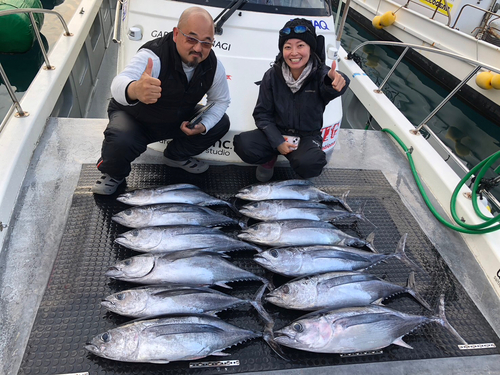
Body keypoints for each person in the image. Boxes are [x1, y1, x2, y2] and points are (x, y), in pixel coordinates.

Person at [92, 6, 230, 195]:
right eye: (191, 39)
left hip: (176, 119)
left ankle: (176, 155)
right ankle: (114, 173)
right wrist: (135, 89)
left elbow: (221, 101)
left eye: (206, 43)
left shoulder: (214, 67)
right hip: (136, 119)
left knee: (221, 122)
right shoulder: (153, 57)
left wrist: (203, 124)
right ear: (176, 34)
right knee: (121, 138)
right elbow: (118, 84)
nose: (198, 48)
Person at [233, 18, 349, 182]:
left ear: (311, 48)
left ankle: (298, 159)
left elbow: (332, 84)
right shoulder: (271, 75)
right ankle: (269, 158)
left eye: (300, 45)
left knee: (312, 163)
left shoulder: (321, 74)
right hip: (277, 132)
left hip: (307, 136)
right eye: (288, 47)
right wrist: (277, 141)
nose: (294, 52)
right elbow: (262, 114)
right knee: (244, 144)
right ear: (282, 50)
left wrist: (338, 80)